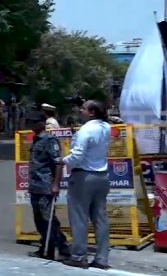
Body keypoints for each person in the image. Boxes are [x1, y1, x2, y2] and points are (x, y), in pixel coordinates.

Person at [61, 100, 112, 270]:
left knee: (79, 217)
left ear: (91, 112)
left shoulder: (86, 130)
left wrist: (62, 161)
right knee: (100, 218)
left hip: (84, 176)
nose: (79, 111)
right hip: (102, 176)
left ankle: (78, 256)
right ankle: (102, 258)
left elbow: (77, 156)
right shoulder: (106, 128)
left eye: (82, 109)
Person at [27, 106, 70, 260]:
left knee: (49, 220)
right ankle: (46, 248)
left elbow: (58, 163)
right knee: (40, 221)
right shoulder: (36, 139)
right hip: (35, 185)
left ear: (40, 123)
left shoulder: (50, 140)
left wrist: (56, 184)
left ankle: (63, 248)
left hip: (46, 186)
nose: (29, 125)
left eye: (32, 122)